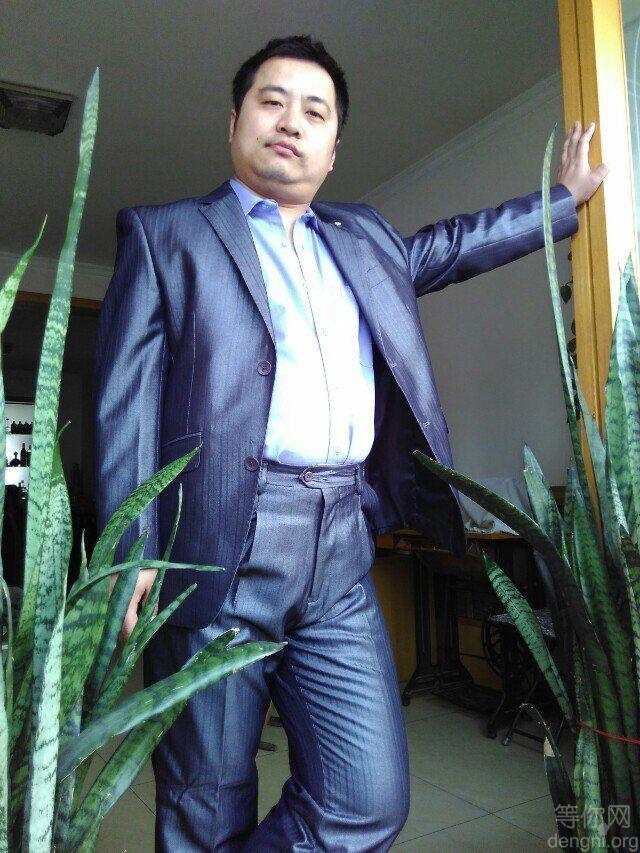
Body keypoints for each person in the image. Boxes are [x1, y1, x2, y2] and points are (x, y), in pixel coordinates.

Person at [92, 33, 609, 852]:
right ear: (234, 123)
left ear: (333, 149)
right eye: (271, 102)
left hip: (341, 541)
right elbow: (124, 404)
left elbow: (455, 245)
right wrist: (131, 550)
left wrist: (561, 200)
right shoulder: (167, 236)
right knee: (204, 802)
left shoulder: (364, 239)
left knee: (368, 797)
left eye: (315, 111)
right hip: (215, 547)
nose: (290, 121)